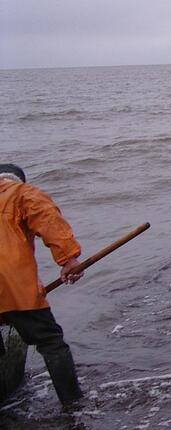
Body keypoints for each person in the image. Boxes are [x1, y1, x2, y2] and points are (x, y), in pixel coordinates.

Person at [0, 163, 84, 408]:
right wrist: (69, 258)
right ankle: (73, 406)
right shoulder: (21, 193)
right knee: (50, 342)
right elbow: (47, 219)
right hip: (11, 285)